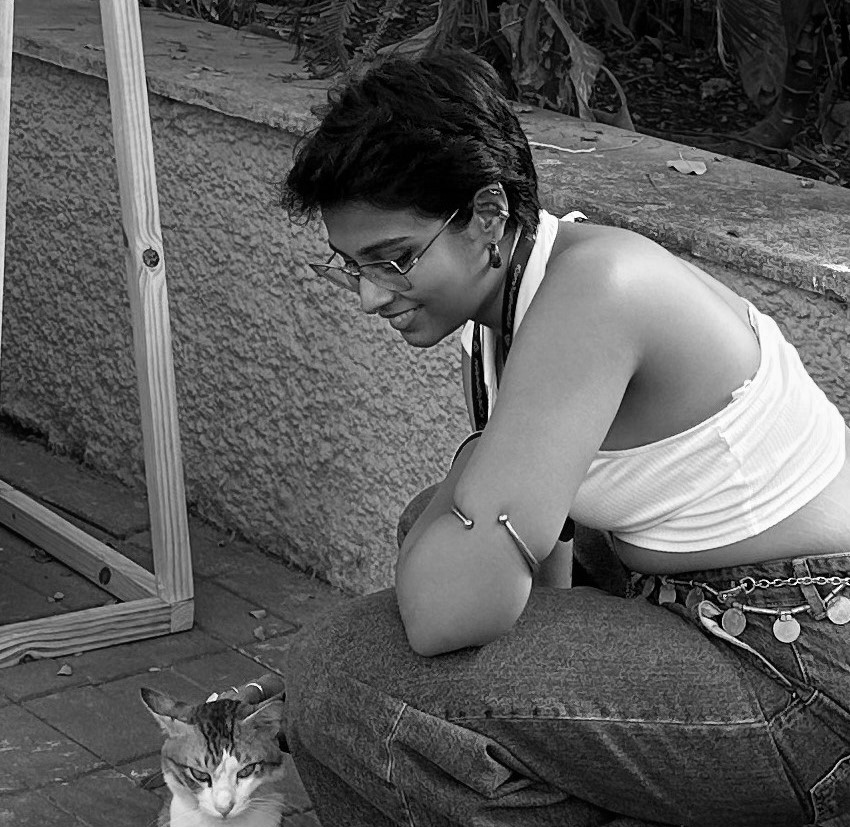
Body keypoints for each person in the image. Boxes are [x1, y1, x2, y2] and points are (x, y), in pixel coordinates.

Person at [278, 49, 850, 827]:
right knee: (424, 545)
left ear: (487, 214)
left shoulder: (598, 291)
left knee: (338, 675)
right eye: (349, 266)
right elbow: (538, 574)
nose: (370, 297)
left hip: (799, 669)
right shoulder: (519, 296)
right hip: (700, 611)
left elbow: (452, 611)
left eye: (394, 259)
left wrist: (475, 469)